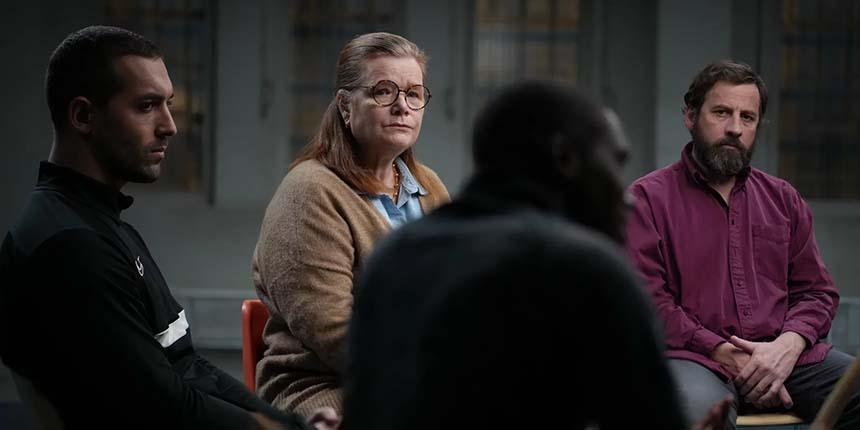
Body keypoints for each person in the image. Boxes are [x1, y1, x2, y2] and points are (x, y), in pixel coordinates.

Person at [343, 81, 727, 430]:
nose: (626, 197)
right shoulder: (587, 269)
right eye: (616, 161)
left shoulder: (395, 257)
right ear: (565, 158)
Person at [0, 26, 316, 430]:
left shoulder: (102, 226)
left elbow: (187, 367)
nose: (170, 125)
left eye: (168, 104)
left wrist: (292, 424)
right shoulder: (70, 247)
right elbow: (166, 410)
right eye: (147, 106)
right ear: (83, 116)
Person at [625, 60, 860, 429]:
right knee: (693, 413)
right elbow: (648, 303)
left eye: (747, 117)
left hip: (786, 359)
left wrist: (788, 345)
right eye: (721, 112)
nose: (735, 128)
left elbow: (817, 292)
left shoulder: (783, 198)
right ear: (690, 116)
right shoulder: (646, 199)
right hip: (695, 359)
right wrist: (719, 349)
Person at [251, 32, 450, 418]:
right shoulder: (309, 192)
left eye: (413, 94)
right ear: (345, 105)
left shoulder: (430, 186)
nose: (402, 106)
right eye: (384, 91)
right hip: (328, 389)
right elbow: (335, 334)